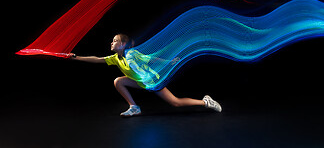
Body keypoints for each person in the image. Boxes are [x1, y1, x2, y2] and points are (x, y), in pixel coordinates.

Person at [70, 33, 222, 117]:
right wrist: (76, 57)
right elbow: (97, 60)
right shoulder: (115, 58)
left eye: (115, 40)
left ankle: (206, 102)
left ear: (123, 45)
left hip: (152, 82)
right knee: (119, 81)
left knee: (175, 102)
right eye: (112, 40)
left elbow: (152, 58)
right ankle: (134, 107)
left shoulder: (132, 54)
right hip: (140, 82)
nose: (112, 42)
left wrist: (169, 61)